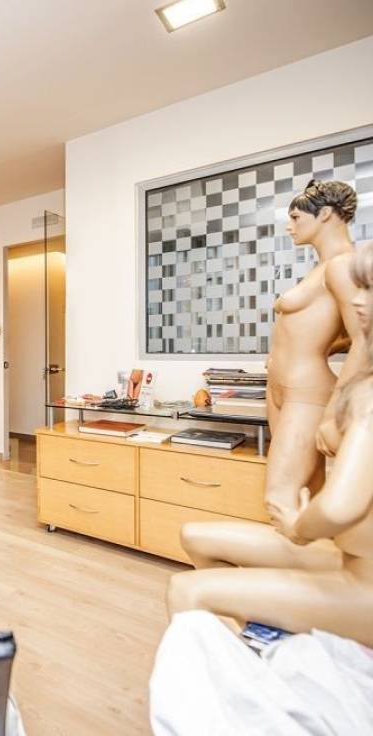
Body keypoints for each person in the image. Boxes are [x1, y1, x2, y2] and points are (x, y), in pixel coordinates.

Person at [166, 241, 373, 646]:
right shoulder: (362, 383)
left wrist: (299, 526)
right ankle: (261, 642)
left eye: (368, 289)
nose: (357, 299)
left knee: (184, 590)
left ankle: (254, 658)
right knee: (193, 534)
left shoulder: (368, 396)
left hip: (362, 578)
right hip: (348, 557)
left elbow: (339, 507)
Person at [180, 179, 365, 570]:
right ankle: (306, 598)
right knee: (303, 497)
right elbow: (347, 334)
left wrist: (334, 412)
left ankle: (336, 587)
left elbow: (367, 340)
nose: (289, 225)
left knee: (279, 502)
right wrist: (325, 346)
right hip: (281, 391)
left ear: (325, 215)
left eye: (296, 217)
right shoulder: (322, 269)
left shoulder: (342, 265)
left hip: (306, 393)